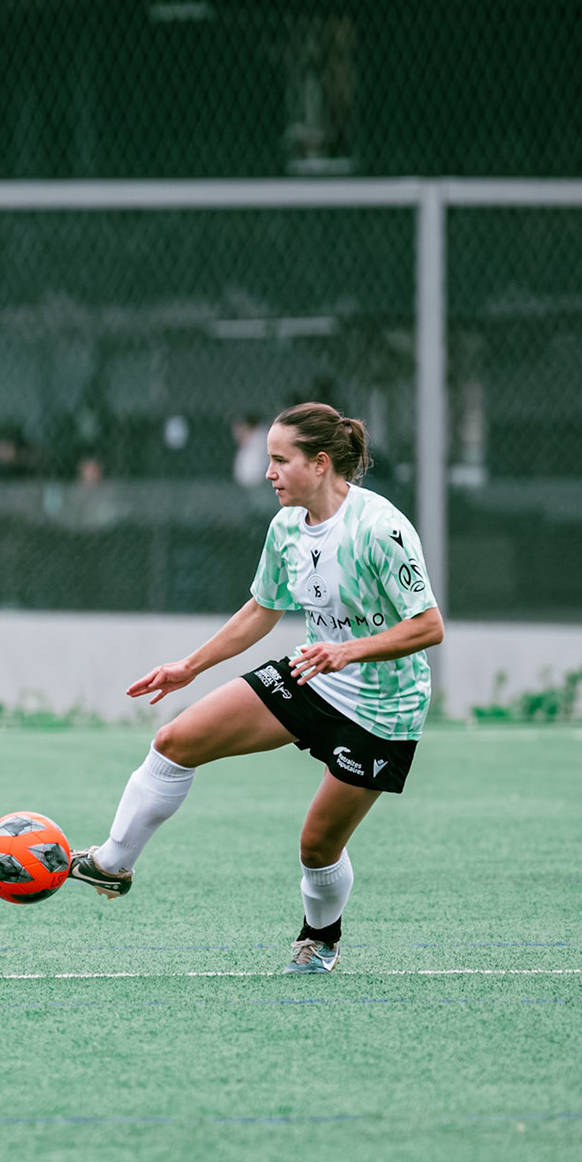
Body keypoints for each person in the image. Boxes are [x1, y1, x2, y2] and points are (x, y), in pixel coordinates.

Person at [68, 401, 443, 974]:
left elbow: (428, 626)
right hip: (313, 676)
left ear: (320, 463)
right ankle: (113, 863)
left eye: (280, 460)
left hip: (383, 708)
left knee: (317, 846)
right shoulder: (287, 525)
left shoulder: (379, 528)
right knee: (175, 741)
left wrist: (348, 650)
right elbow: (262, 609)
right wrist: (190, 666)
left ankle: (320, 939)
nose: (268, 472)